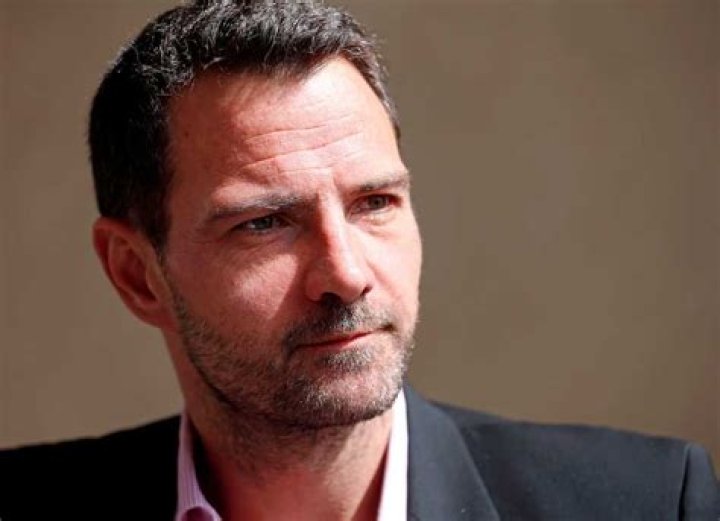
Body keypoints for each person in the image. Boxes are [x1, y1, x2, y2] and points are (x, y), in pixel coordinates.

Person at [0, 1, 717, 519]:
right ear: (137, 274)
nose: (346, 274)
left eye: (374, 203)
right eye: (263, 223)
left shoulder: (651, 502)